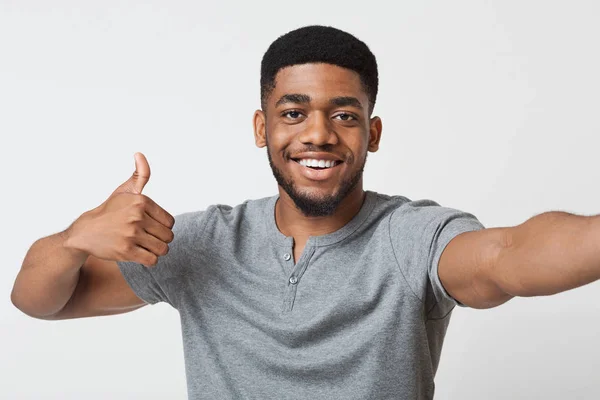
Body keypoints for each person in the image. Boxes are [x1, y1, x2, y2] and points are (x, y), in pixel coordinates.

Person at [10, 25, 600, 399]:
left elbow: (511, 256)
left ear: (372, 132)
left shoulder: (411, 237)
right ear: (262, 127)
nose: (318, 134)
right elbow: (39, 301)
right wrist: (73, 239)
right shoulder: (202, 242)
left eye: (343, 115)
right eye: (293, 113)